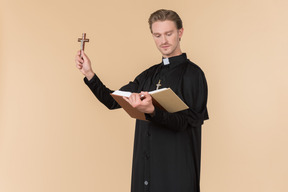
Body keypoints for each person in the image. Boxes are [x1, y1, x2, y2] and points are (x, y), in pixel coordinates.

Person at [75, 9, 209, 192]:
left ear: (180, 32)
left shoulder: (193, 75)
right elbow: (113, 101)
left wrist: (152, 111)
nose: (164, 41)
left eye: (169, 34)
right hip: (146, 175)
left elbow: (185, 123)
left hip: (177, 175)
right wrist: (89, 74)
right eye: (157, 35)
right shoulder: (148, 75)